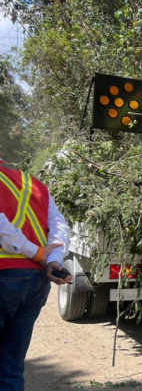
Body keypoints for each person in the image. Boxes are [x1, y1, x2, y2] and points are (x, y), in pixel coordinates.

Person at [0, 157, 72, 391]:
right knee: (11, 367)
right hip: (35, 281)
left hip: (4, 276)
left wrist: (38, 253)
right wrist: (53, 261)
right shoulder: (33, 183)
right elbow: (59, 226)